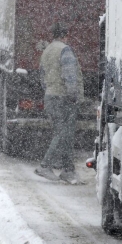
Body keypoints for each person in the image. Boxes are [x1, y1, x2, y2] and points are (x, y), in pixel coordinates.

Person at [34, 22, 84, 184]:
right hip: (64, 98)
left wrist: (49, 89)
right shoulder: (65, 50)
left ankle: (68, 171)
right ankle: (45, 165)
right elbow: (69, 75)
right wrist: (73, 94)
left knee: (64, 133)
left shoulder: (47, 50)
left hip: (50, 96)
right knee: (63, 133)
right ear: (65, 35)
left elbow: (42, 76)